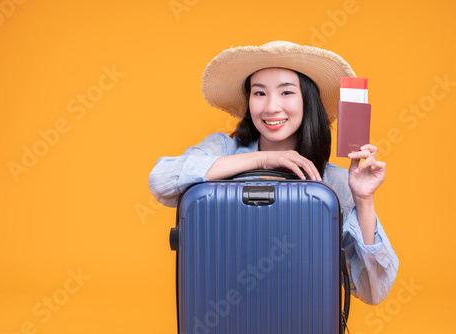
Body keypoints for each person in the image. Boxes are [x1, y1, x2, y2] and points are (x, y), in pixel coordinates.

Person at [148, 41, 398, 305]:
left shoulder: (333, 182)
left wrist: (363, 199)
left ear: (307, 101)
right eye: (259, 93)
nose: (270, 107)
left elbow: (373, 290)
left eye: (286, 92)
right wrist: (263, 158)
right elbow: (160, 180)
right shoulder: (222, 149)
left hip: (301, 315)